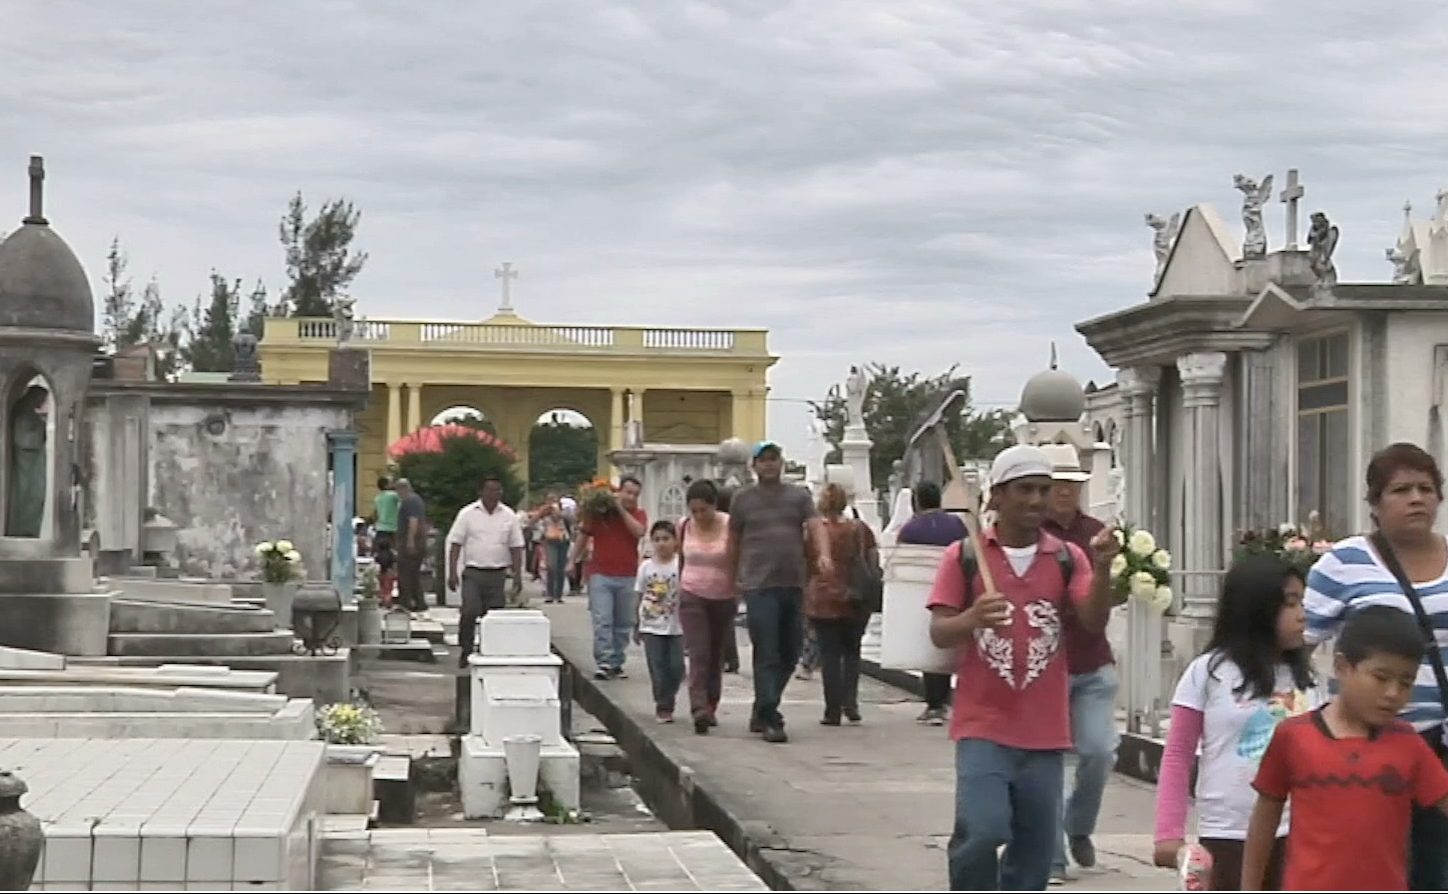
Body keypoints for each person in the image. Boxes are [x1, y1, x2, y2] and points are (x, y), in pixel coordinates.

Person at [927, 444, 1118, 891]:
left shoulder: (1067, 557)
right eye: (1024, 490)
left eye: (1043, 490)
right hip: (983, 726)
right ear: (995, 496)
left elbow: (1091, 620)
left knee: (1034, 852)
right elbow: (939, 632)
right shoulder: (965, 556)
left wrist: (1105, 570)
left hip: (1045, 731)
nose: (1036, 500)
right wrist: (973, 618)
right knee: (982, 830)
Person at [1304, 442, 1448, 890]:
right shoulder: (1344, 564)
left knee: (1432, 866)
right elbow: (1298, 640)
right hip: (1362, 745)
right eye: (1400, 490)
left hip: (1437, 744)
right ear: (1375, 504)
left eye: (1427, 488)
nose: (1416, 498)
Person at [1244, 606, 1448, 890]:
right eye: (1381, 677)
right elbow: (1264, 820)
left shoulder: (1409, 744)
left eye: (1406, 682)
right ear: (1342, 667)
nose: (1393, 693)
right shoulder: (1293, 737)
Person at [1152, 555, 1320, 890]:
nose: (1302, 614)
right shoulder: (1208, 673)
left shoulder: (1311, 682)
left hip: (1297, 832)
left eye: (1303, 601)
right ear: (1257, 607)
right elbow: (1178, 755)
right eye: (1290, 603)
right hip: (1226, 834)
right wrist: (1168, 835)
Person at [1037, 444, 1117, 880]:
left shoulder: (1096, 532)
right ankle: (1050, 856)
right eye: (1058, 485)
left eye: (1073, 484)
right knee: (1048, 760)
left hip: (1091, 661)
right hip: (1045, 664)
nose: (1066, 493)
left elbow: (1108, 594)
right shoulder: (1031, 535)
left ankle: (1079, 826)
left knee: (1098, 751)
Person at [729, 441, 832, 744]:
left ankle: (762, 707)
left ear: (782, 463)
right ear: (754, 466)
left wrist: (823, 554)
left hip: (792, 582)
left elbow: (816, 527)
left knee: (790, 651)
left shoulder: (798, 497)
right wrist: (731, 577)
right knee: (768, 651)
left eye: (774, 459)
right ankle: (772, 716)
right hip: (759, 585)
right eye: (764, 460)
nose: (769, 465)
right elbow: (733, 540)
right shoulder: (742, 500)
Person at [806, 482, 878, 726]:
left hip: (823, 598)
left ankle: (832, 709)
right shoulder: (859, 529)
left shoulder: (814, 530)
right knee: (852, 652)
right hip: (855, 597)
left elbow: (806, 563)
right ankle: (851, 703)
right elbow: (872, 561)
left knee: (829, 655)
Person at [896, 481, 967, 726]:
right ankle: (944, 701)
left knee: (928, 647)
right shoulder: (957, 525)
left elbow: (900, 559)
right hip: (955, 592)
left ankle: (934, 704)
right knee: (948, 647)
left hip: (921, 593)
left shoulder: (910, 529)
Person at [571, 476, 648, 680]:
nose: (630, 497)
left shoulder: (638, 514)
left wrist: (622, 510)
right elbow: (583, 536)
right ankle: (603, 661)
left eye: (635, 494)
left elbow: (639, 532)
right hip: (600, 574)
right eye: (628, 492)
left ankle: (616, 661)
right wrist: (572, 561)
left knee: (623, 622)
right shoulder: (599, 513)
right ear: (619, 491)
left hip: (628, 575)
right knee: (602, 620)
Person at [446, 476, 525, 667]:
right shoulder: (467, 514)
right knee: (470, 611)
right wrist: (452, 572)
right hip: (474, 572)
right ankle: (466, 649)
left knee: (495, 615)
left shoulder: (509, 516)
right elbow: (455, 543)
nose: (494, 494)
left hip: (498, 573)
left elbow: (516, 546)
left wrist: (517, 575)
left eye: (498, 490)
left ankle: (490, 651)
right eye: (490, 490)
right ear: (481, 492)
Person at [678, 479, 736, 734]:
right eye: (695, 511)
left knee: (716, 654)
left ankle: (711, 703)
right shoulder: (684, 526)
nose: (699, 516)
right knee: (699, 652)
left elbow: (737, 556)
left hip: (724, 595)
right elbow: (681, 558)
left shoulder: (730, 525)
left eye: (704, 510)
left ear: (715, 506)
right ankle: (698, 707)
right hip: (692, 594)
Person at [636, 521, 685, 723]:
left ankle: (669, 695)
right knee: (657, 667)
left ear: (675, 541)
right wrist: (635, 623)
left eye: (666, 538)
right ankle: (663, 706)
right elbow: (638, 594)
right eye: (657, 539)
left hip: (677, 625)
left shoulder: (681, 564)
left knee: (676, 667)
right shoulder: (646, 567)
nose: (662, 543)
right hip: (651, 624)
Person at [393, 478, 429, 614]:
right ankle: (419, 602)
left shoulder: (410, 501)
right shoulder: (415, 500)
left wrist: (410, 542)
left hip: (412, 542)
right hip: (417, 541)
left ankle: (406, 603)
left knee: (406, 574)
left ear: (403, 488)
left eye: (398, 490)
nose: (397, 494)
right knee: (413, 574)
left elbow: (413, 522)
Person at [539, 498, 573, 604]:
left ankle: (558, 595)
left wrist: (561, 515)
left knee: (561, 569)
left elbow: (572, 522)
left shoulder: (565, 517)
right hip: (550, 541)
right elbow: (537, 526)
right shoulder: (545, 518)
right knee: (551, 567)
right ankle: (550, 594)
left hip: (563, 541)